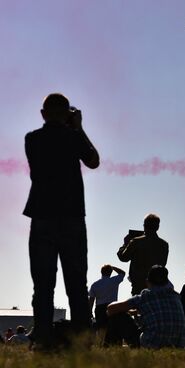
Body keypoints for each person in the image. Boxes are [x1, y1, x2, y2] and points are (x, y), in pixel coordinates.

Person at [23, 93, 100, 349]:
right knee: (77, 283)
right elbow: (93, 161)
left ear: (43, 114)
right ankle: (81, 341)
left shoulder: (32, 139)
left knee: (43, 284)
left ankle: (43, 338)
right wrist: (78, 128)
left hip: (42, 216)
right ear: (68, 113)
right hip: (72, 217)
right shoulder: (73, 137)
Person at [107, 265, 185, 349]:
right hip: (178, 347)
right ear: (167, 282)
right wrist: (136, 312)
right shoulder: (176, 296)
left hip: (151, 344)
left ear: (147, 282)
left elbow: (111, 308)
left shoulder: (145, 297)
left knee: (116, 316)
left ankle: (111, 350)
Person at [117, 214, 169, 295]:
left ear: (144, 226)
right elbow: (163, 264)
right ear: (158, 227)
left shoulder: (136, 241)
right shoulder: (164, 244)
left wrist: (125, 244)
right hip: (157, 285)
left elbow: (123, 257)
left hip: (138, 286)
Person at [88, 264, 126, 331]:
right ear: (110, 272)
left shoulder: (95, 285)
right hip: (112, 307)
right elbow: (122, 273)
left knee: (101, 330)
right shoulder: (114, 280)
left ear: (101, 272)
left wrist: (89, 311)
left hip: (99, 309)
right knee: (112, 329)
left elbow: (91, 300)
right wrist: (113, 267)